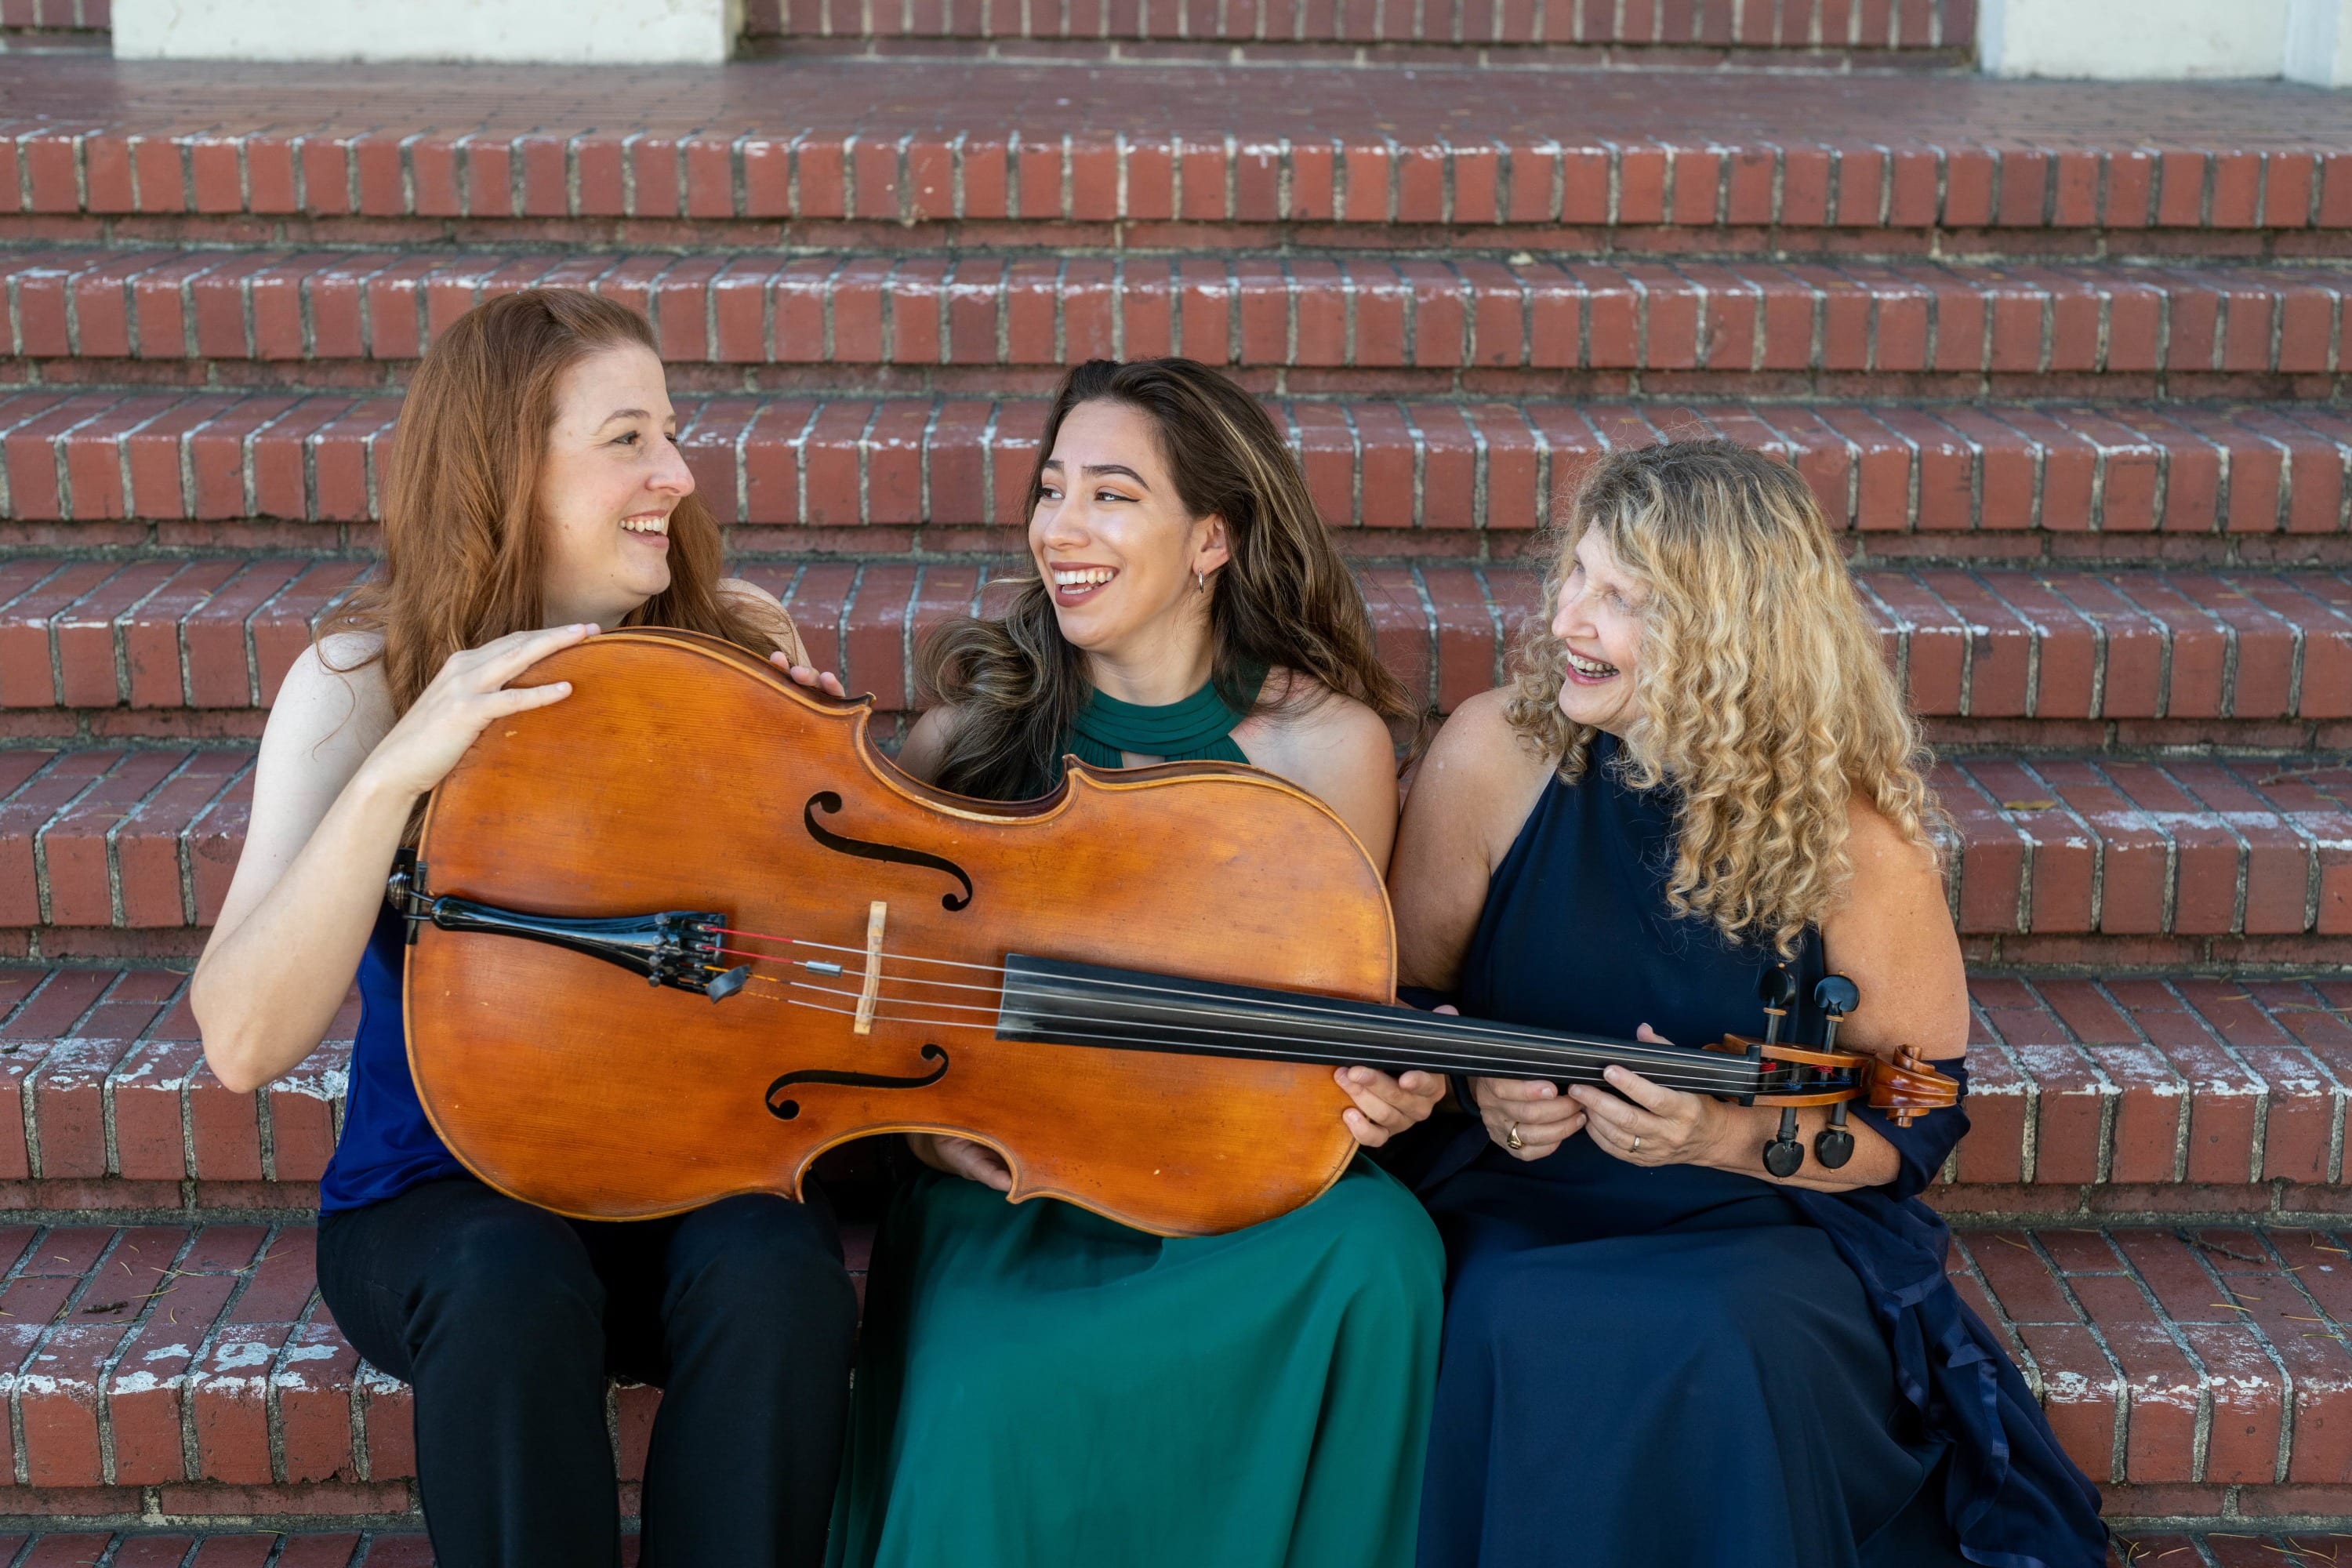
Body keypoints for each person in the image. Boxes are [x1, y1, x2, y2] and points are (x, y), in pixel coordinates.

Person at [191, 289, 859, 1568]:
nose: (677, 472)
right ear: (507, 468)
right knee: (506, 1279)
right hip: (444, 1198)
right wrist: (398, 772)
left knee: (775, 1271)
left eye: (672, 431)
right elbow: (240, 1040)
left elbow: (811, 956)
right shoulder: (359, 679)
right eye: (626, 440)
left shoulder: (735, 639)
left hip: (694, 1172)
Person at [1386, 441, 2107, 1568]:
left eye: (1624, 599)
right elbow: (1406, 998)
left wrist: (1725, 1135)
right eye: (1575, 575)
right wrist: (1477, 1088)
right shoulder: (1495, 754)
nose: (1572, 618)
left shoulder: (1855, 841)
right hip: (1523, 1193)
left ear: (1727, 634)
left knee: (1713, 1335)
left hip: (1756, 1218)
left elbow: (1912, 1116)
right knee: (1505, 1312)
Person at [818, 357, 1446, 1568]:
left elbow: (1328, 1024)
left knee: (1384, 1258)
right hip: (1019, 1182)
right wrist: (918, 1131)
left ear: (1212, 539)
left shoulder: (1320, 747)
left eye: (1112, 494)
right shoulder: (974, 735)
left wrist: (1387, 1084)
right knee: (990, 1375)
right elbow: (867, 1000)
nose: (1064, 528)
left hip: (1226, 1166)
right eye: (1053, 489)